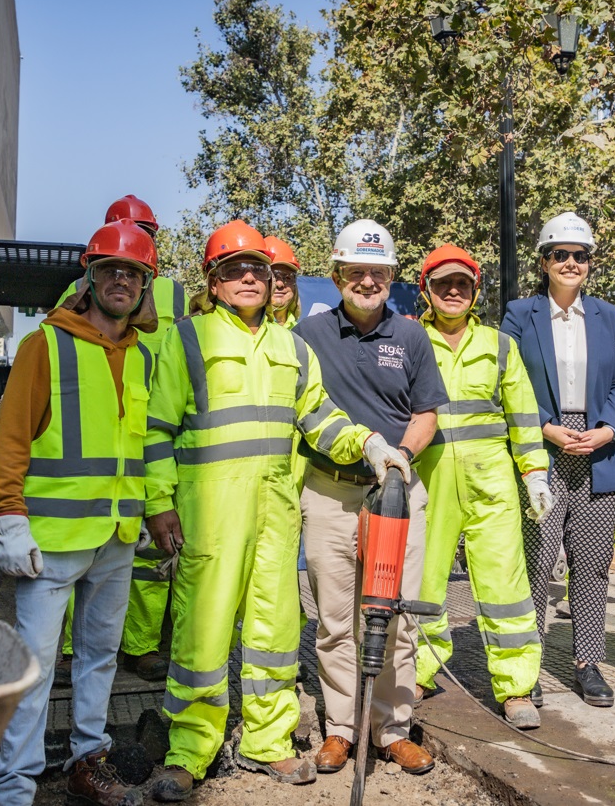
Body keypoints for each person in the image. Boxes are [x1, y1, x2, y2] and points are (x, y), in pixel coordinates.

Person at [142, 220, 400, 801]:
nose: (250, 278)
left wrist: (367, 444)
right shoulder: (186, 339)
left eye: (258, 269)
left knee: (275, 632)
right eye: (235, 270)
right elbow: (155, 431)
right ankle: (190, 750)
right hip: (209, 513)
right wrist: (158, 505)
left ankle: (266, 741)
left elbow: (320, 417)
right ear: (213, 281)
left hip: (276, 513)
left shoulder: (291, 345)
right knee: (202, 635)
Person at [0, 221, 159, 806]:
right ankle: (14, 787)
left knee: (100, 660)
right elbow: (11, 439)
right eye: (109, 268)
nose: (120, 280)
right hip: (52, 541)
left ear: (144, 288)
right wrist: (8, 518)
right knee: (33, 669)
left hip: (115, 537)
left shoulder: (140, 358)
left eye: (132, 273)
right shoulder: (46, 345)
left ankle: (89, 762)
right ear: (87, 278)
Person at [293, 219, 449, 776]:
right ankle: (340, 729)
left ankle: (391, 729)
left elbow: (427, 412)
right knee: (335, 620)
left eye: (377, 272)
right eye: (355, 272)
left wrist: (401, 457)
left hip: (398, 496)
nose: (366, 281)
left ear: (391, 276)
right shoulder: (307, 336)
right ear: (336, 276)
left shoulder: (410, 336)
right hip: (330, 495)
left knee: (396, 618)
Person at [411, 244, 551, 730]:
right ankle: (420, 671)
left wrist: (534, 472)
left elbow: (524, 415)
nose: (453, 291)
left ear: (475, 290)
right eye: (443, 283)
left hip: (491, 482)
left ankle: (515, 686)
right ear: (426, 289)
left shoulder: (500, 345)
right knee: (425, 581)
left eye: (463, 284)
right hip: (426, 481)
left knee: (503, 582)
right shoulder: (408, 341)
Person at [501, 211, 615, 709]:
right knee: (537, 561)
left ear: (589, 264)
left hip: (599, 452)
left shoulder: (610, 317)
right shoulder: (520, 314)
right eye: (561, 255)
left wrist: (606, 430)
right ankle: (526, 661)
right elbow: (507, 379)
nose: (571, 263)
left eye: (580, 256)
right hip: (544, 451)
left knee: (593, 561)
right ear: (545, 261)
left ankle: (587, 661)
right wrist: (545, 428)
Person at [55, 195, 187, 684]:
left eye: (143, 231)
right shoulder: (79, 288)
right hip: (98, 431)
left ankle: (141, 645)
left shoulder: (175, 294)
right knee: (82, 548)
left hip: (150, 429)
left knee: (150, 555)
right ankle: (70, 650)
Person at [264, 235, 302, 329]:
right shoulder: (248, 330)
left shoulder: (301, 332)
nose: (279, 284)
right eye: (272, 276)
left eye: (288, 277)